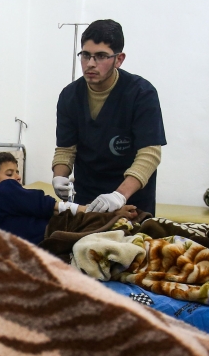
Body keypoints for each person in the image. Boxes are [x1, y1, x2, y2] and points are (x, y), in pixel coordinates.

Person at [52, 19, 166, 215]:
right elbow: (66, 149)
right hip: (87, 201)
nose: (90, 64)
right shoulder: (70, 96)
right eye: (86, 55)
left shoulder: (141, 93)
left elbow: (149, 155)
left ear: (119, 59)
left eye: (101, 56)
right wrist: (59, 176)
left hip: (131, 200)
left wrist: (119, 195)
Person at [0, 152, 85, 245]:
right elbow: (37, 202)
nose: (18, 177)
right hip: (48, 236)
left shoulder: (6, 200)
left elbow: (36, 207)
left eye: (17, 172)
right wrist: (78, 209)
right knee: (95, 221)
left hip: (49, 235)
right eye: (9, 174)